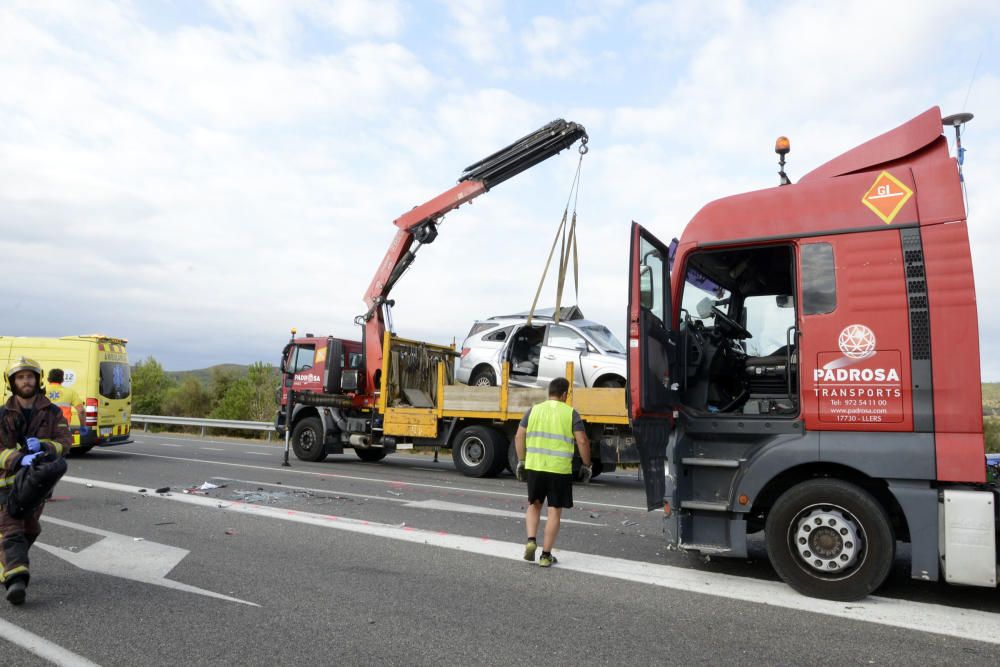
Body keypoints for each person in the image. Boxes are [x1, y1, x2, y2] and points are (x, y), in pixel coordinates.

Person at [0, 358, 72, 605]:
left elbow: (65, 443)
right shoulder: (2, 414)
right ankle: (16, 580)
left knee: (30, 528)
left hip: (36, 485)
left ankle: (6, 561)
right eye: (20, 377)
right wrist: (18, 459)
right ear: (12, 382)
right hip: (5, 484)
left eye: (29, 376)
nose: (25, 381)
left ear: (38, 379)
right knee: (11, 528)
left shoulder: (52, 412)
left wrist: (43, 446)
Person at [513, 376, 592, 567]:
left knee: (534, 505)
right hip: (559, 469)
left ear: (550, 392)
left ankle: (531, 540)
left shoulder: (533, 410)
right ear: (565, 394)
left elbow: (519, 436)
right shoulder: (571, 413)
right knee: (554, 511)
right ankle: (546, 556)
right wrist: (586, 464)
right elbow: (582, 441)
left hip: (535, 466)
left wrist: (522, 461)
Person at [46, 368, 88, 441]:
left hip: (44, 428)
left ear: (48, 379)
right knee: (61, 449)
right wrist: (83, 426)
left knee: (45, 449)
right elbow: (81, 411)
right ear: (62, 379)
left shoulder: (41, 391)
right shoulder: (70, 392)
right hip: (63, 428)